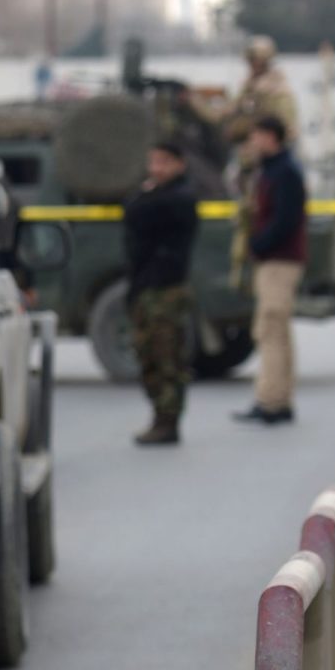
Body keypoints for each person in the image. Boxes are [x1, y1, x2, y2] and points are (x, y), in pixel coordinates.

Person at [203, 36, 300, 287]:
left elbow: (289, 129)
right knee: (246, 214)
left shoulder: (278, 91)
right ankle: (242, 273)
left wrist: (263, 148)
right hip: (251, 164)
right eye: (250, 60)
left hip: (267, 167)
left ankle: (250, 272)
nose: (252, 65)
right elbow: (225, 114)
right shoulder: (251, 87)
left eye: (256, 60)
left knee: (260, 215)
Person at [124, 142, 201, 446]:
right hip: (145, 287)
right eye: (153, 162)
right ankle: (160, 416)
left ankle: (168, 420)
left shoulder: (180, 197)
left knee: (167, 357)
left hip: (166, 289)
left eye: (164, 162)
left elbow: (139, 211)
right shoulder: (154, 195)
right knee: (148, 355)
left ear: (179, 164)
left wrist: (145, 195)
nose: (157, 169)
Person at [234, 116, 307, 425]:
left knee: (270, 329)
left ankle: (270, 400)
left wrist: (259, 245)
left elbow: (285, 220)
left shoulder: (285, 172)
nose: (252, 145)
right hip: (277, 258)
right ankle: (280, 398)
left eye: (256, 137)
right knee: (278, 330)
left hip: (279, 260)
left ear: (270, 137)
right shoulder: (272, 169)